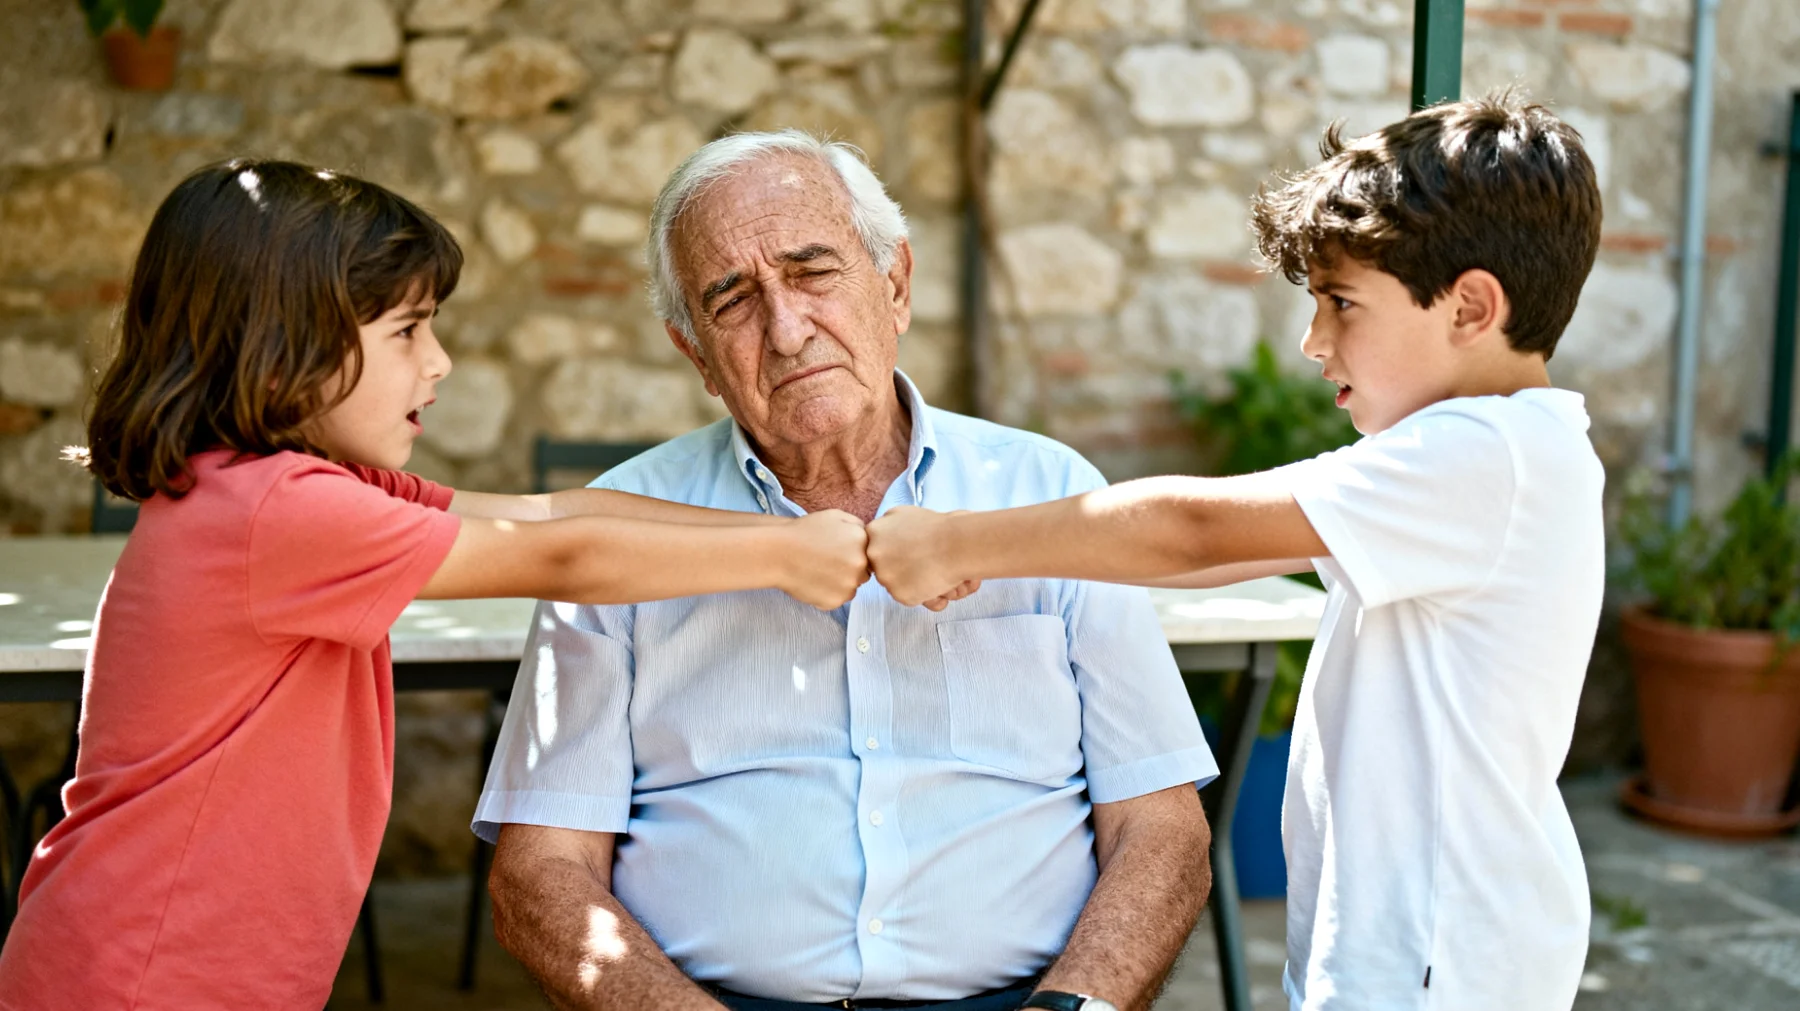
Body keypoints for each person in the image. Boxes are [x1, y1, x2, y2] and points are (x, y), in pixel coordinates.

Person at [0, 159, 874, 1011]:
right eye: (408, 331)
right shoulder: (280, 512)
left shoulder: (302, 487)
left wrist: (796, 532)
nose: (441, 361)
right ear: (281, 355)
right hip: (143, 977)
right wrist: (785, 563)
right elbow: (564, 559)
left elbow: (550, 511)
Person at [867, 92, 1606, 1011]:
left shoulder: (1486, 455)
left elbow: (1196, 529)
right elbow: (1232, 555)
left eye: (1341, 302)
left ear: (1470, 306)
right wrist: (1010, 561)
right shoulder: (1471, 458)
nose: (1312, 339)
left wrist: (957, 539)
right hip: (1404, 945)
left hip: (1439, 960)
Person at [475, 130, 1219, 1011]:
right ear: (695, 355)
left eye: (813, 271)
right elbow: (543, 872)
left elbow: (1161, 826)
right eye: (733, 299)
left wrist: (1074, 1007)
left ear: (895, 284)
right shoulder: (615, 529)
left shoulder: (1047, 492)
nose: (787, 329)